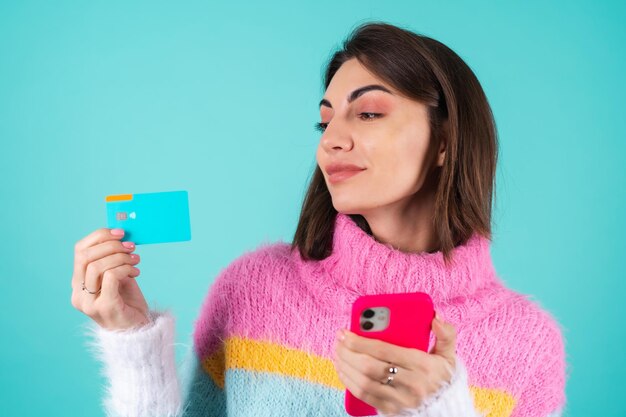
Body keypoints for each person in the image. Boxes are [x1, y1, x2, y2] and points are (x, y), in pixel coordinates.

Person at [71, 22, 567, 417]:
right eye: (325, 121)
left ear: (445, 141)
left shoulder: (528, 345)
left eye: (368, 113)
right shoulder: (253, 288)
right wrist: (131, 342)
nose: (331, 140)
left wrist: (439, 409)